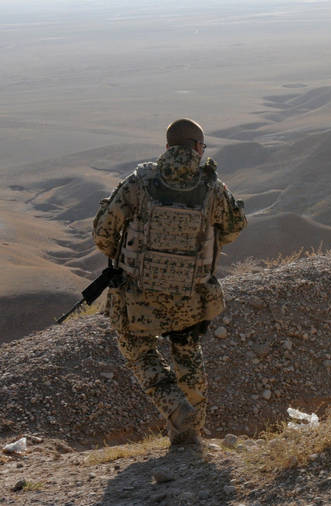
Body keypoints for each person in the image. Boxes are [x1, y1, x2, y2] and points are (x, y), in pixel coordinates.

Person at [92, 118, 246, 445]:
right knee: (188, 356)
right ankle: (190, 433)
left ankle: (174, 407)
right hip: (190, 296)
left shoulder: (138, 182)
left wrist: (122, 260)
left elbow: (103, 231)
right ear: (198, 148)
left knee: (137, 350)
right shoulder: (213, 187)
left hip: (137, 295)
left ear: (167, 148)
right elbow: (234, 227)